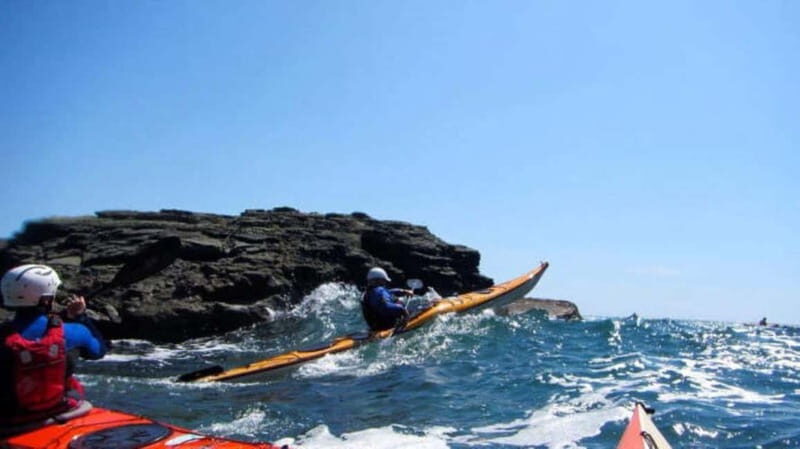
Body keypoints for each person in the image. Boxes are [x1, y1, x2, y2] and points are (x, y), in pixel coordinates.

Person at [1, 264, 107, 427]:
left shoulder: (4, 335)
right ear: (46, 299)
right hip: (59, 408)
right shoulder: (75, 331)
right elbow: (98, 351)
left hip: (8, 417)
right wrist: (80, 317)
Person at [361, 267, 413, 333]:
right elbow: (386, 308)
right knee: (398, 302)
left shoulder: (369, 291)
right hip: (386, 326)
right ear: (378, 280)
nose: (385, 283)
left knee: (396, 301)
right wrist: (402, 310)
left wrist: (403, 291)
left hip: (375, 326)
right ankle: (404, 322)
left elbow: (388, 292)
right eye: (383, 281)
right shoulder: (378, 291)